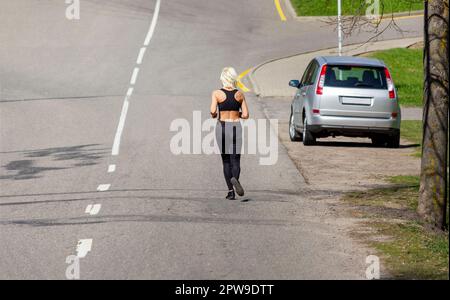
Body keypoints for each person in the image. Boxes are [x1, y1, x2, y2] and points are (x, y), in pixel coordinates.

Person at [210, 67, 249, 200]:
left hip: (222, 126)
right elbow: (246, 114)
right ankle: (235, 179)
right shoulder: (240, 94)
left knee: (226, 160)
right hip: (235, 126)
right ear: (233, 79)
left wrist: (215, 113)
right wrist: (236, 113)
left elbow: (212, 112)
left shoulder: (217, 93)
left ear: (223, 78)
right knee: (236, 160)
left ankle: (230, 192)